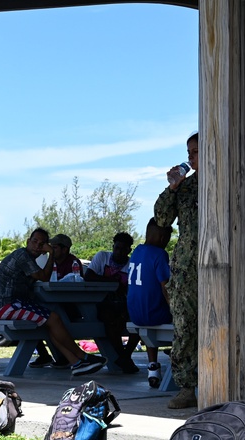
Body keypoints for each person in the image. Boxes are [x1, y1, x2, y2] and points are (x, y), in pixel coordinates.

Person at [0, 228, 106, 377]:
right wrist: (51, 253)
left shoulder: (32, 258)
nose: (37, 246)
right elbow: (44, 277)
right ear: (28, 242)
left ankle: (76, 362)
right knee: (54, 318)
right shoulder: (22, 256)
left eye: (42, 243)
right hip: (7, 307)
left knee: (50, 324)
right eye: (35, 241)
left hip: (11, 305)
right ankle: (83, 356)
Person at [154, 131, 200, 409]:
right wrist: (172, 187)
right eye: (189, 153)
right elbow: (161, 218)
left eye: (196, 152)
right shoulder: (185, 186)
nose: (191, 157)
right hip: (186, 269)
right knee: (184, 327)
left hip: (221, 266)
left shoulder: (228, 181)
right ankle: (186, 387)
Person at [126, 220, 172, 387]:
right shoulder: (160, 254)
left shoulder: (137, 252)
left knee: (149, 322)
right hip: (156, 315)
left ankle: (153, 366)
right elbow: (165, 286)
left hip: (135, 315)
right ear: (162, 237)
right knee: (187, 319)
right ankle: (178, 357)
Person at [85, 231, 138, 374]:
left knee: (138, 323)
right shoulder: (102, 257)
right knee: (110, 322)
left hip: (126, 304)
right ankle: (124, 358)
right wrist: (113, 282)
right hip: (104, 303)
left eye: (124, 249)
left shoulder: (132, 264)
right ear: (113, 246)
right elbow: (88, 276)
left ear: (129, 250)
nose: (119, 252)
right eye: (117, 248)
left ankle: (125, 357)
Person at [29, 233, 83, 368]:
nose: (50, 251)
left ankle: (70, 357)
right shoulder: (49, 262)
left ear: (65, 249)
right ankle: (46, 355)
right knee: (32, 317)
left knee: (47, 317)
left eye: (55, 248)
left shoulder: (73, 263)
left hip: (70, 307)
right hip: (53, 304)